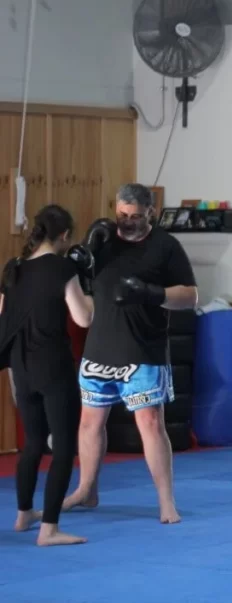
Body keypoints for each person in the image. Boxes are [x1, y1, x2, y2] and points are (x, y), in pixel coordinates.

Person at [63, 184, 199, 523]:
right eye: (122, 215)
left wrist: (151, 293)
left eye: (136, 217)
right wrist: (79, 260)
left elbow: (190, 296)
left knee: (151, 424)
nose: (128, 222)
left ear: (150, 212)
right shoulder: (104, 239)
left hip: (144, 348)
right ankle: (87, 489)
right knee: (89, 422)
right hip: (100, 346)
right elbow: (80, 282)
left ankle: (167, 502)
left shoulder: (166, 247)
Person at [0, 205, 94, 546]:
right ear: (65, 236)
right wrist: (93, 296)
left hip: (19, 368)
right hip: (52, 366)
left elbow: (3, 317)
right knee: (64, 446)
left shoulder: (14, 268)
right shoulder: (62, 266)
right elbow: (83, 319)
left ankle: (24, 514)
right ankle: (50, 528)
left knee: (33, 443)